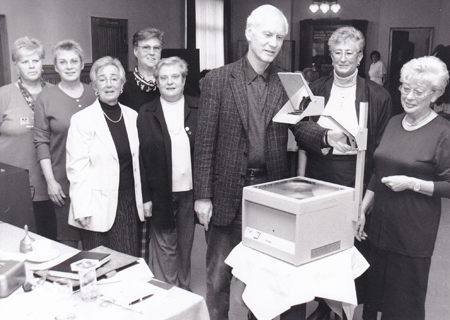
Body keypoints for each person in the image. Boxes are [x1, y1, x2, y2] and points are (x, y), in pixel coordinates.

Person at [193, 5, 352, 320]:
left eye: (279, 37)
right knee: (219, 277)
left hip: (271, 195)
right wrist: (202, 195)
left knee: (266, 280)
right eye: (267, 34)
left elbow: (302, 126)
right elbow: (205, 142)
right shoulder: (218, 79)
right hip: (226, 195)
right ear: (249, 33)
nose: (273, 43)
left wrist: (325, 137)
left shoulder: (289, 81)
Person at [303, 26, 392, 320]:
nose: (343, 59)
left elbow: (381, 151)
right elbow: (301, 132)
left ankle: (343, 309)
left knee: (350, 250)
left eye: (349, 53)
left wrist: (365, 202)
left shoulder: (378, 96)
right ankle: (322, 305)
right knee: (318, 248)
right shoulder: (315, 89)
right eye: (337, 52)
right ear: (330, 56)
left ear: (360, 57)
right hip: (319, 179)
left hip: (356, 181)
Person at [356, 56, 450, 320]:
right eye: (404, 88)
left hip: (413, 234)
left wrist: (412, 184)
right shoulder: (395, 121)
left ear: (435, 94)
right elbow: (379, 169)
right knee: (373, 301)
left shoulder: (443, 132)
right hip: (381, 229)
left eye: (418, 92)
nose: (408, 96)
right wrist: (363, 208)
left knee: (403, 307)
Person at [66, 56, 146, 255]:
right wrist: (81, 207)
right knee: (98, 265)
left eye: (114, 78)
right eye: (102, 79)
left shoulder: (132, 116)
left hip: (127, 203)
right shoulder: (82, 120)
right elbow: (77, 168)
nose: (108, 84)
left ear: (122, 84)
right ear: (94, 85)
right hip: (96, 206)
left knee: (127, 263)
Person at [138, 56, 198, 289]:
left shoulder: (198, 107)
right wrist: (145, 198)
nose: (170, 82)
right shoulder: (145, 112)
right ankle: (170, 294)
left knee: (185, 247)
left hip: (189, 194)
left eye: (175, 77)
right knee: (165, 248)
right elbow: (141, 160)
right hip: (160, 192)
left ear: (184, 80)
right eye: (164, 78)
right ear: (157, 82)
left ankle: (185, 293)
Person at [34, 40, 96, 248]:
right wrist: (51, 181)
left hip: (94, 183)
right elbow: (41, 141)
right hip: (63, 185)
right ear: (56, 66)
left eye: (74, 61)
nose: (69, 66)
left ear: (82, 64)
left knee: (96, 245)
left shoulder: (94, 93)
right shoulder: (45, 98)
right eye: (63, 62)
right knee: (68, 247)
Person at [0, 36, 56, 240]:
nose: (31, 66)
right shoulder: (3, 96)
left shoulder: (55, 93)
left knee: (51, 245)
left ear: (43, 62)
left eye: (36, 60)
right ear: (16, 65)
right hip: (12, 188)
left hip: (51, 187)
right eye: (25, 61)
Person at [119, 27, 198, 112]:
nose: (152, 53)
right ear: (135, 51)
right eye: (146, 48)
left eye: (156, 48)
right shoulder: (124, 85)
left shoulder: (173, 82)